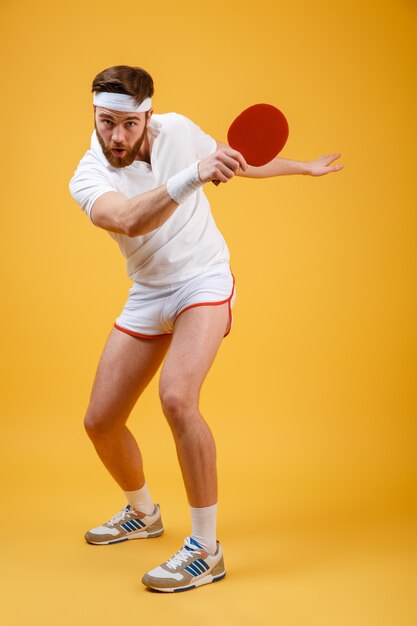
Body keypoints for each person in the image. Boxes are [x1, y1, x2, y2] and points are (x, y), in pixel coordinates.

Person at [69, 65, 343, 593]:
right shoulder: (87, 174)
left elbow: (236, 160)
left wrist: (302, 167)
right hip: (149, 292)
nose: (118, 137)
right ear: (95, 116)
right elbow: (127, 219)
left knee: (177, 398)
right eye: (107, 123)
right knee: (100, 422)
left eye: (129, 124)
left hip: (203, 279)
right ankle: (143, 513)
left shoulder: (177, 130)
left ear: (147, 116)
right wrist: (193, 175)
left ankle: (205, 549)